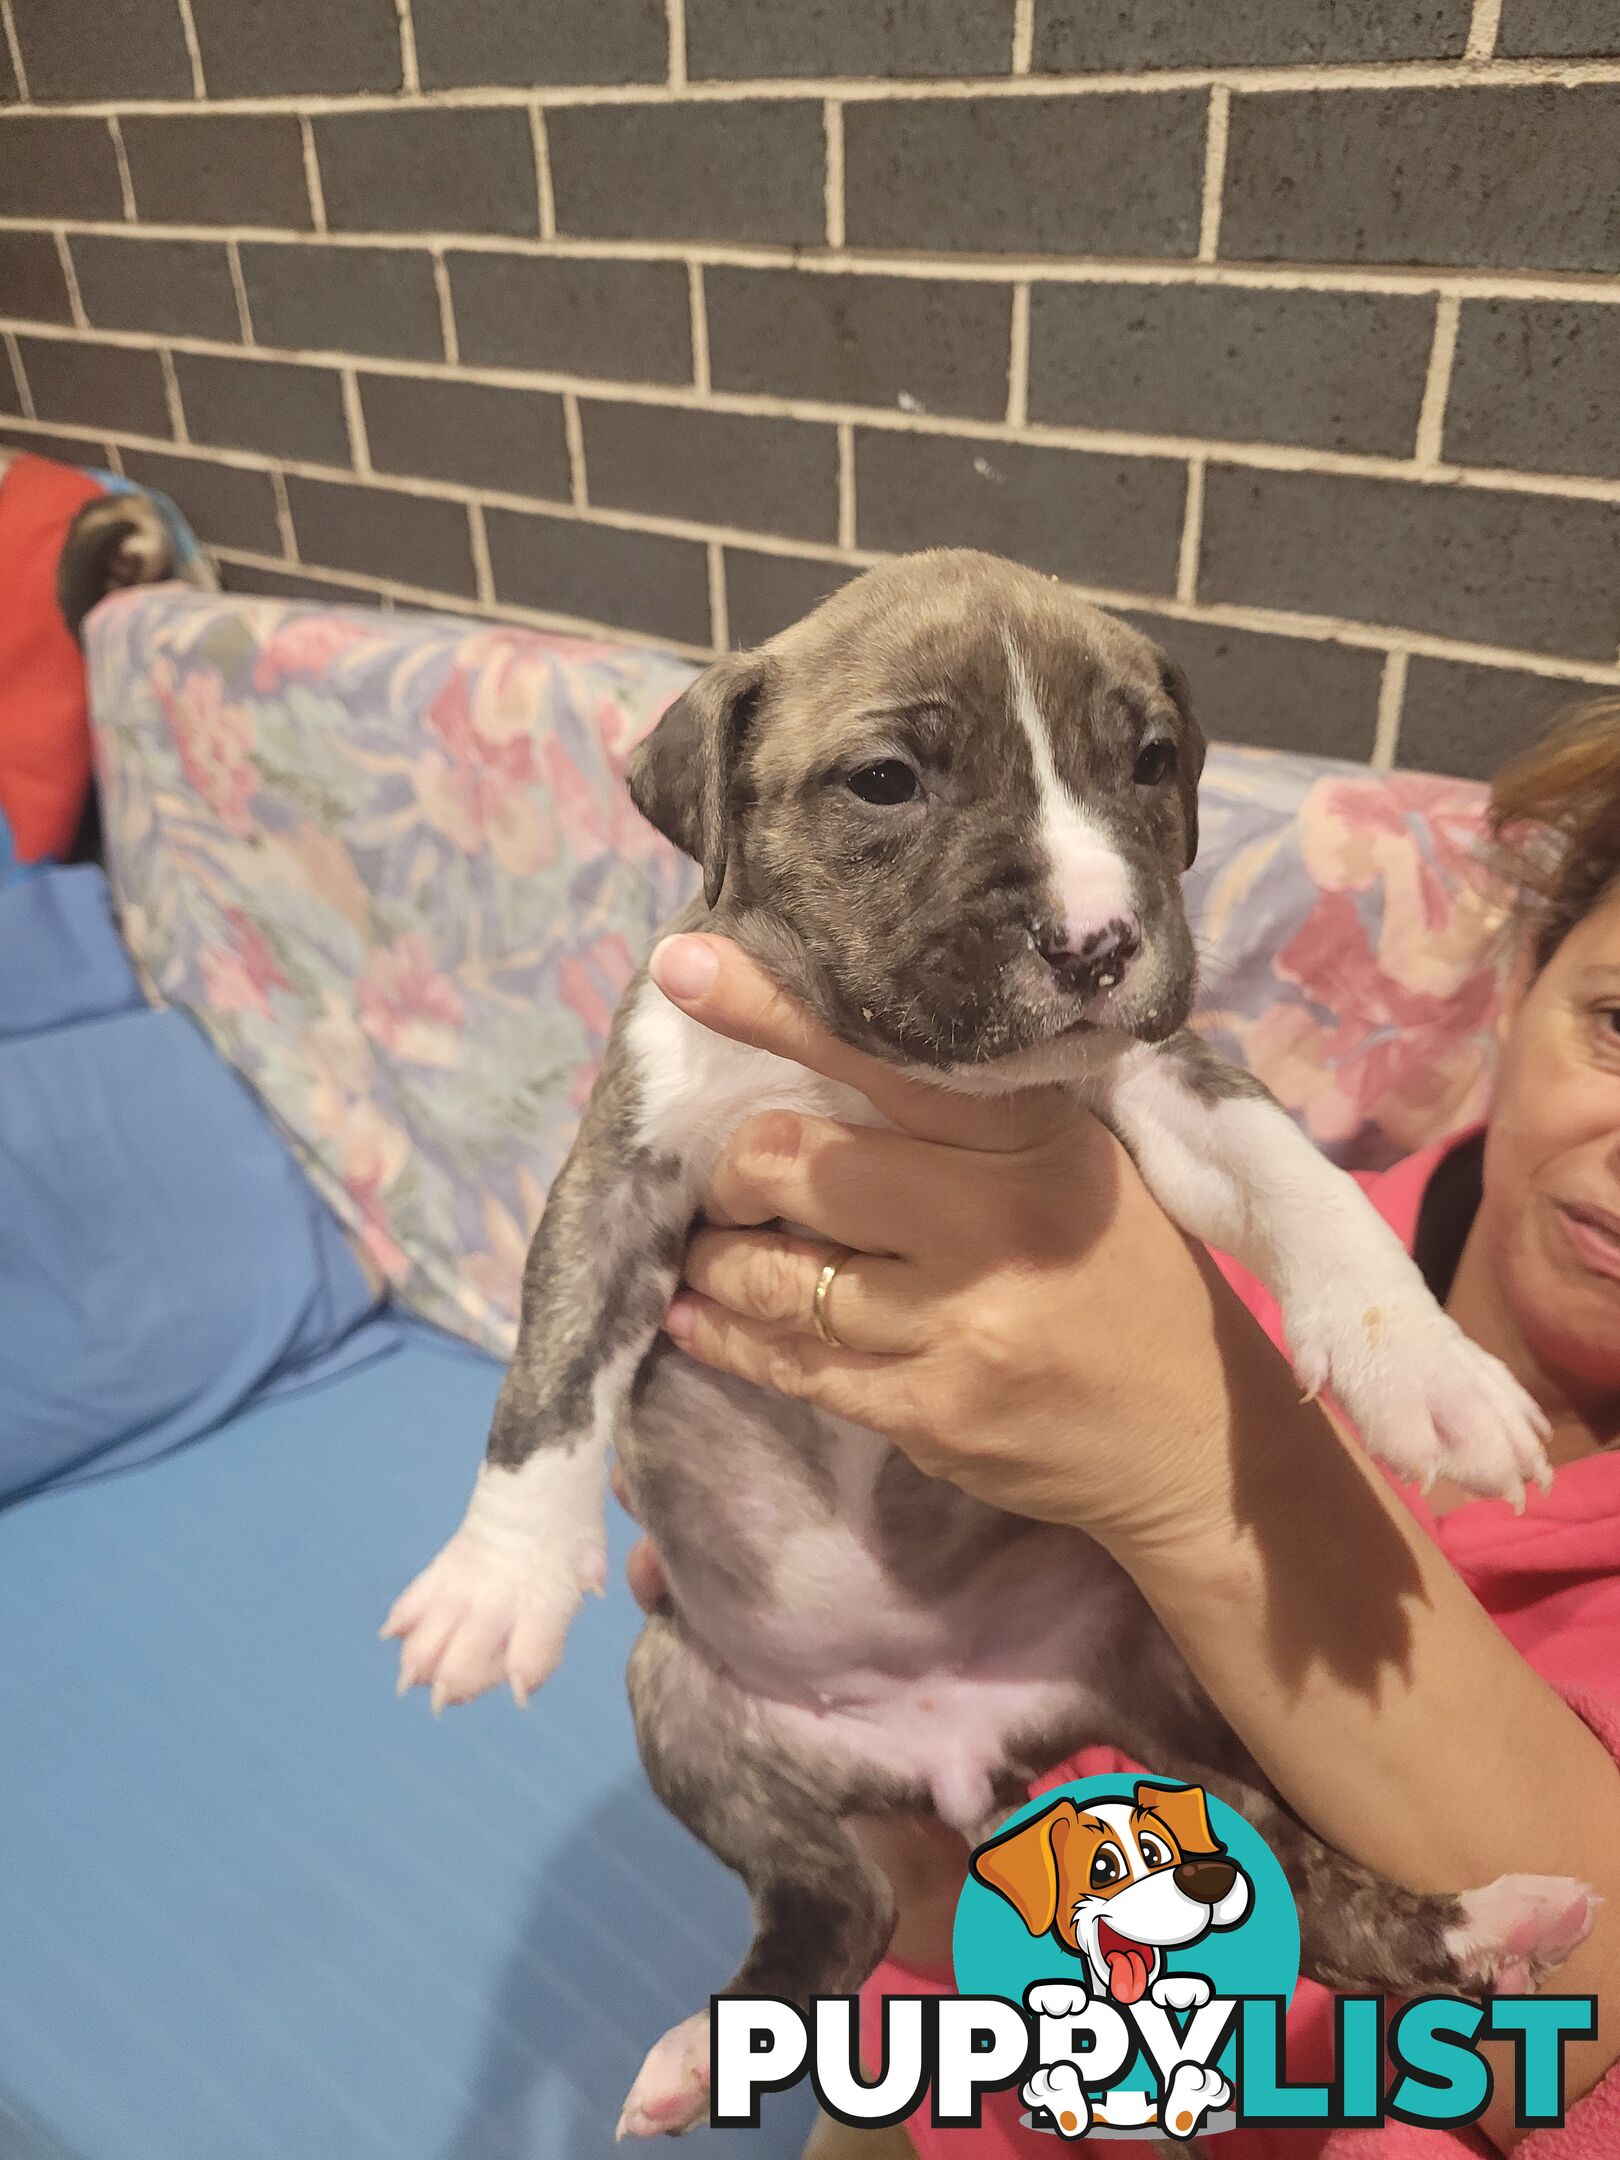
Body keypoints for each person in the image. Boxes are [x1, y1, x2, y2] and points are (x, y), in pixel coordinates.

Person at [620, 699, 1620, 2158]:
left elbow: (1556, 2052)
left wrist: (1196, 1466)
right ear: (1523, 977)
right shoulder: (1195, 1222)